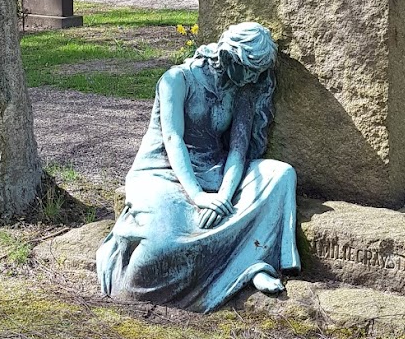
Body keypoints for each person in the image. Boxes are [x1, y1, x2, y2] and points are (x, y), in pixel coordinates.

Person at [96, 22, 300, 311]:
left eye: (259, 73)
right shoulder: (176, 80)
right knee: (157, 253)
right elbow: (172, 139)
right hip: (163, 174)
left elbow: (238, 149)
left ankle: (253, 264)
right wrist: (199, 197)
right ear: (230, 56)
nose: (255, 78)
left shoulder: (242, 87)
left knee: (281, 174)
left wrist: (224, 199)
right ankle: (233, 262)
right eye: (250, 69)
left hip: (216, 174)